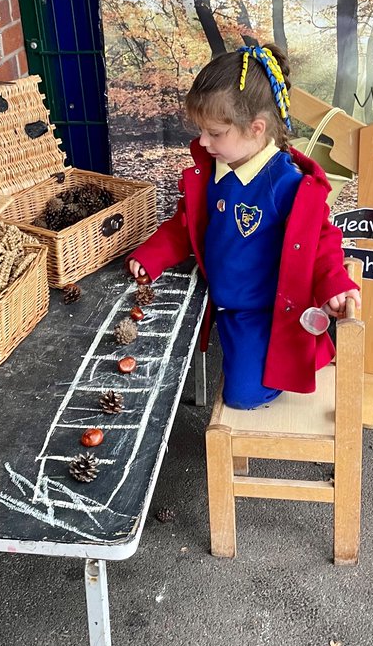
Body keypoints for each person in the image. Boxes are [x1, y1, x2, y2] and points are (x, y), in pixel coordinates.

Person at [128, 43, 361, 410]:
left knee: (242, 396)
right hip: (221, 300)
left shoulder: (285, 183)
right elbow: (186, 223)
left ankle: (306, 353)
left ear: (256, 129)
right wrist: (153, 255)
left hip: (263, 311)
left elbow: (320, 238)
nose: (203, 142)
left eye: (215, 133)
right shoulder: (213, 169)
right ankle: (245, 352)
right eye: (202, 131)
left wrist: (333, 282)